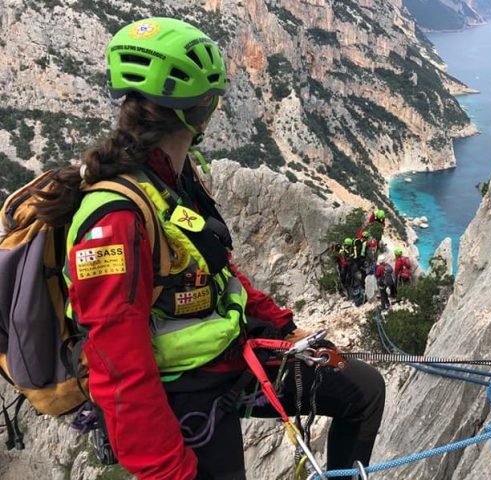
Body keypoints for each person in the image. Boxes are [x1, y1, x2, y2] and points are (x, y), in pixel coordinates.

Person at [32, 18, 384, 480]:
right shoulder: (114, 219)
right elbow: (117, 363)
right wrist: (167, 469)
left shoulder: (175, 176)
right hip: (182, 397)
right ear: (202, 111)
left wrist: (286, 328)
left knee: (363, 391)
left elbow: (216, 270)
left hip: (230, 359)